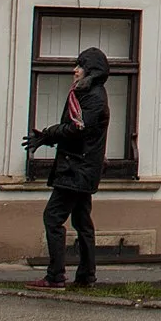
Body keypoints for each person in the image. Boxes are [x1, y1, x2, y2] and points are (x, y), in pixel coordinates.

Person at [22, 46, 110, 289]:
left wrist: (49, 134)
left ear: (90, 70)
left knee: (53, 217)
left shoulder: (93, 96)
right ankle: (86, 276)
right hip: (80, 167)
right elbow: (75, 128)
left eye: (80, 66)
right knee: (82, 221)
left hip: (77, 169)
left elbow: (78, 129)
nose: (75, 70)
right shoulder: (85, 93)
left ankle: (55, 276)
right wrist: (49, 137)